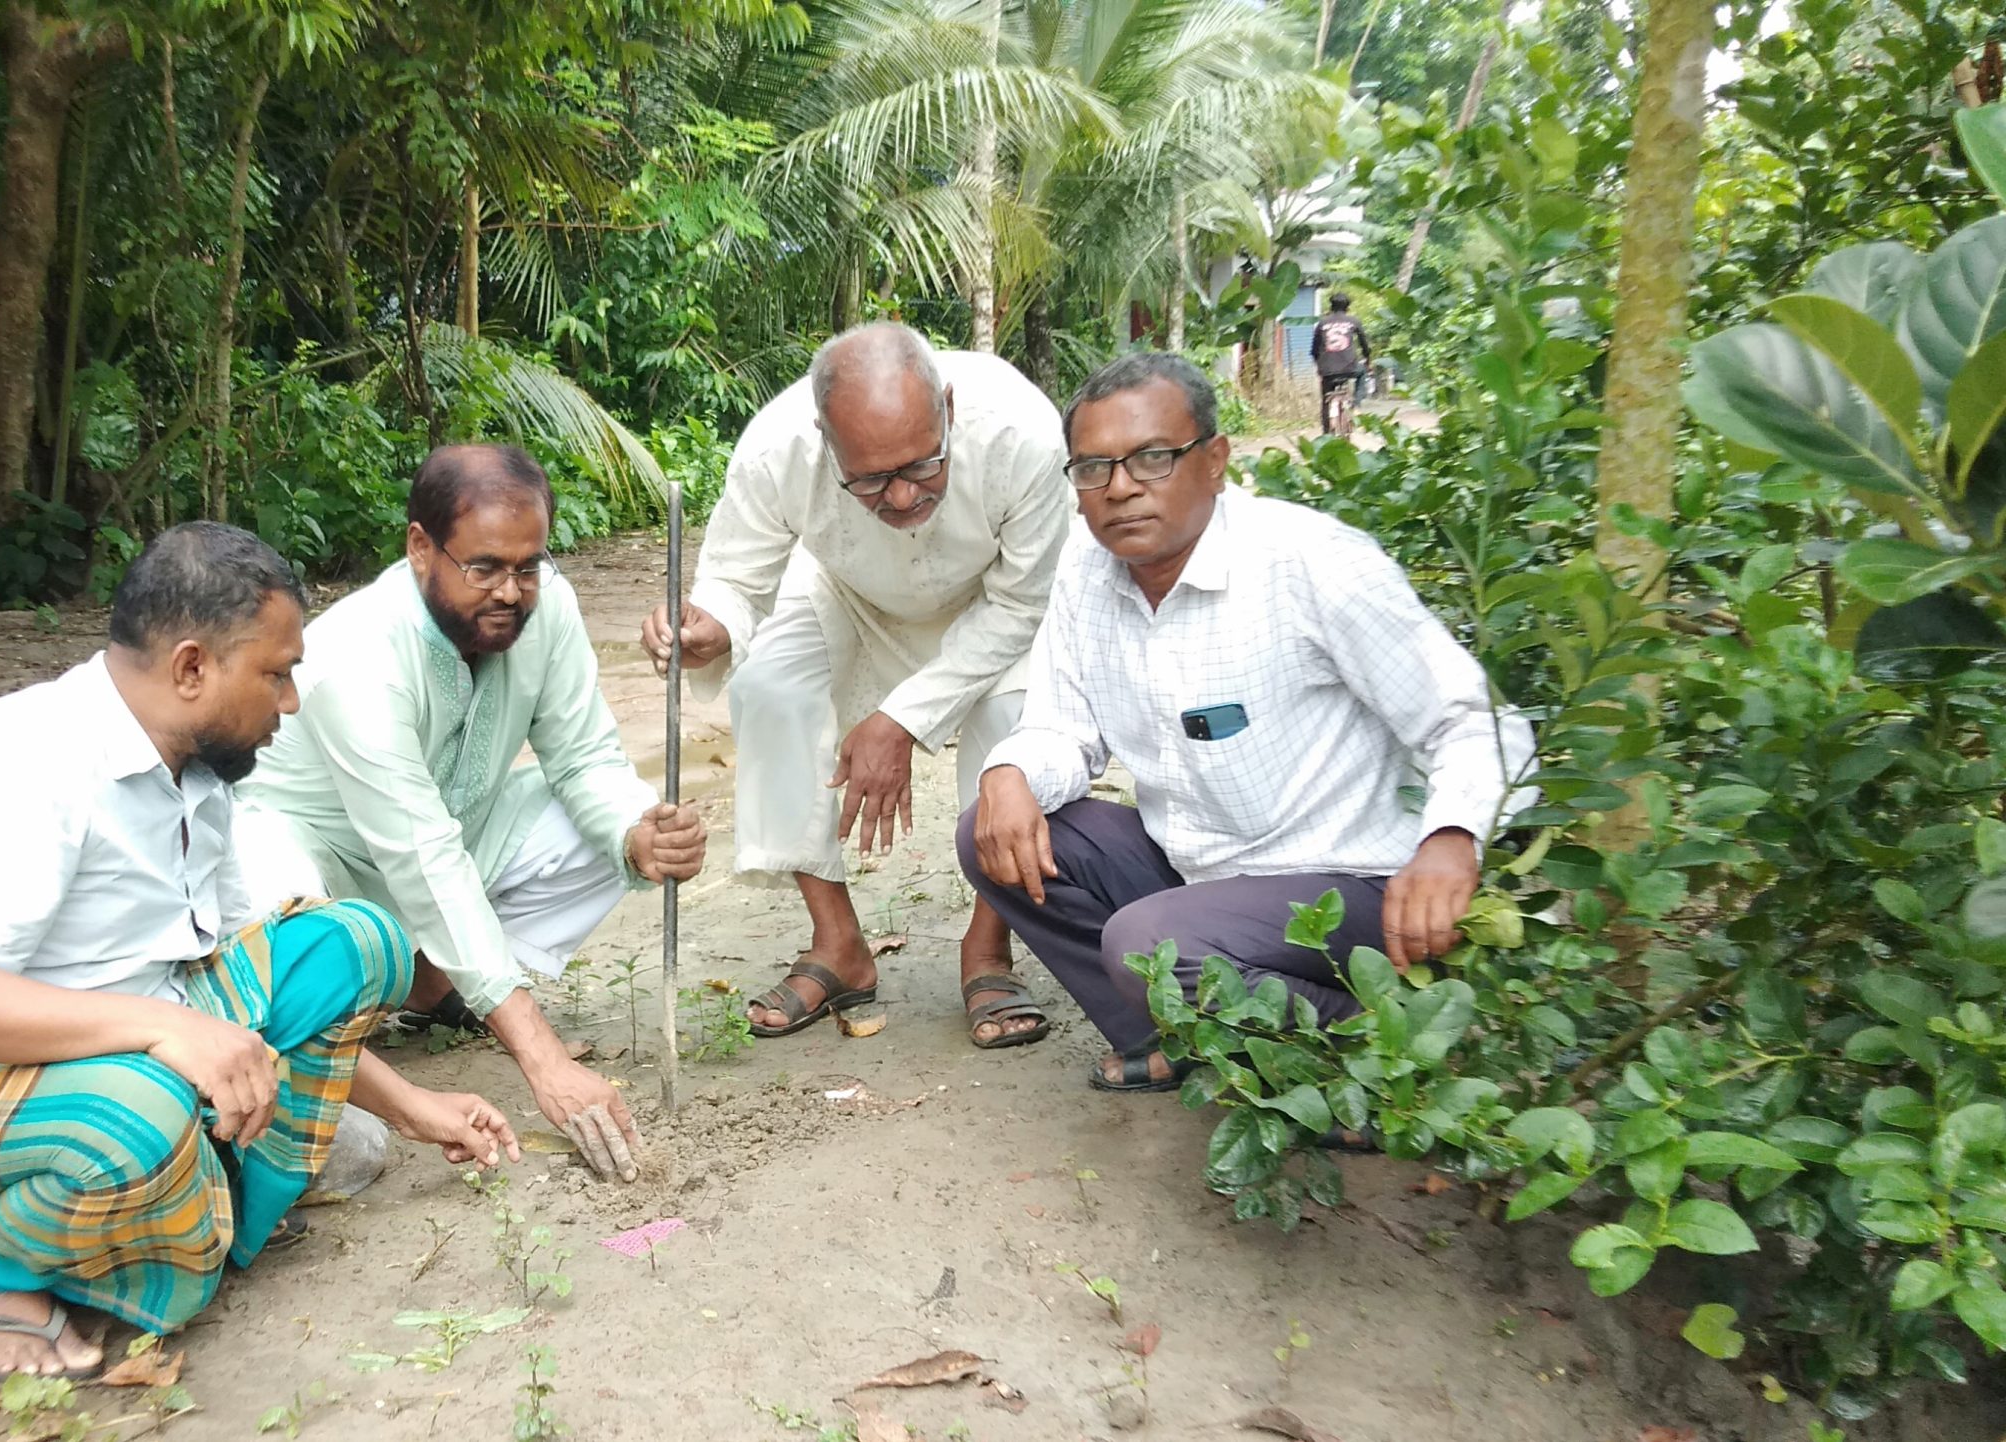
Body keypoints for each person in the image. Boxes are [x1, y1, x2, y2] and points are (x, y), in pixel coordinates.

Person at [0, 522, 522, 1385]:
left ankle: (209, 1212)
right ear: (192, 668)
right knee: (146, 1111)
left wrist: (416, 1107)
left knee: (356, 942)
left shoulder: (201, 772)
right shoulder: (25, 758)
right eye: (275, 674)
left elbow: (236, 982)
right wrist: (162, 1029)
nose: (292, 701)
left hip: (130, 1057)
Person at [960, 351, 1533, 1095]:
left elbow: (1480, 722)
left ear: (1216, 459)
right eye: (1093, 468)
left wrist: (1453, 841)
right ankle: (1186, 1046)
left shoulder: (1310, 564)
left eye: (1153, 458)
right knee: (993, 826)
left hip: (1348, 887)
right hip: (1201, 874)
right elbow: (1064, 732)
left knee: (1154, 942)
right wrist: (1008, 771)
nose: (1122, 487)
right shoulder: (1085, 575)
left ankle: (1383, 1061)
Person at [237, 445, 707, 1185]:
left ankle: (432, 985)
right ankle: (357, 1029)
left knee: (603, 824)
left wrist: (636, 831)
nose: (512, 593)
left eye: (528, 567)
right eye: (484, 568)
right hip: (328, 869)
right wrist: (543, 1060)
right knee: (272, 908)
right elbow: (422, 857)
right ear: (420, 547)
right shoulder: (357, 655)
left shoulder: (548, 606)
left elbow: (583, 757)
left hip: (452, 840)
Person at [639, 322, 1070, 1048]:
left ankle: (989, 945)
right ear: (823, 438)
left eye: (923, 466)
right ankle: (839, 943)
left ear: (951, 409)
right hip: (846, 592)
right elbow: (735, 580)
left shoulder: (1024, 432)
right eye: (869, 479)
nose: (902, 497)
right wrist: (711, 627)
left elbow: (1024, 604)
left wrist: (897, 720)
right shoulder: (777, 447)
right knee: (767, 685)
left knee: (1015, 723)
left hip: (993, 605)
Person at [1311, 292, 1371, 434]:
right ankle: (1356, 405)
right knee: (1362, 372)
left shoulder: (1322, 323)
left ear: (1331, 306)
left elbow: (1314, 349)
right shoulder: (1353, 321)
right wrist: (1368, 359)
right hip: (1349, 368)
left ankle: (1326, 433)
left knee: (1326, 400)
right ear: (1347, 307)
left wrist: (1319, 366)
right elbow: (1364, 344)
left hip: (1327, 370)